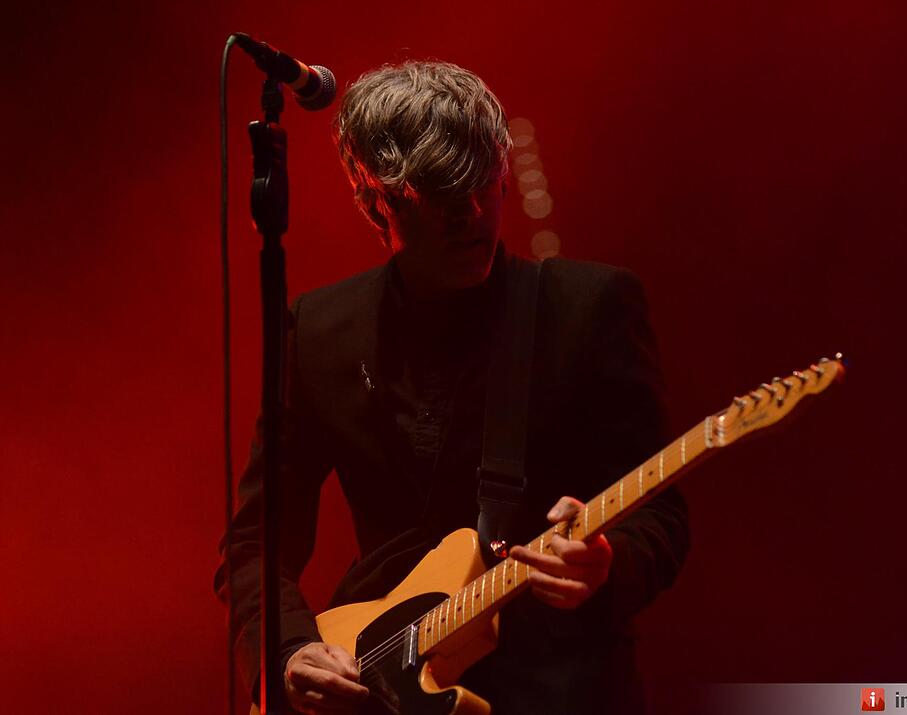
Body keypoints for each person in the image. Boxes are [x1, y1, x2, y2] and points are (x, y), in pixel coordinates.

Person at [215, 60, 689, 714]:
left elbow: (663, 515)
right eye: (441, 196)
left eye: (487, 186)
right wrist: (289, 649)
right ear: (374, 196)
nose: (472, 214)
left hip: (560, 688)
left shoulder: (588, 307)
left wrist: (610, 564)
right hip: (380, 689)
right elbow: (255, 543)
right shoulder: (321, 329)